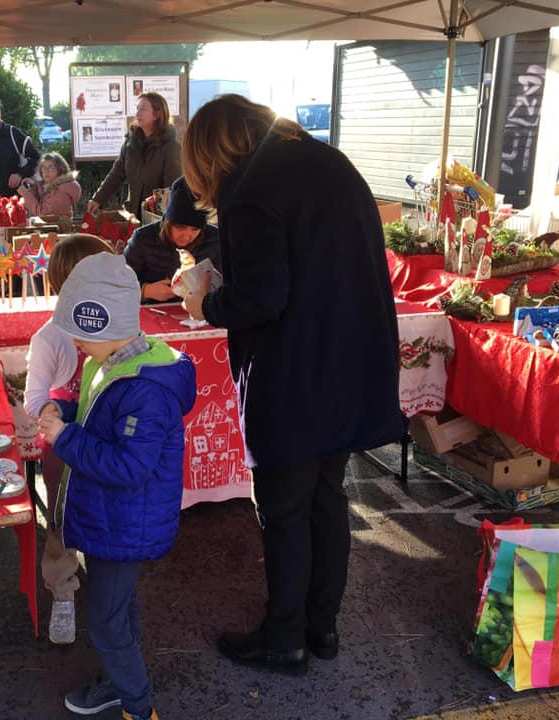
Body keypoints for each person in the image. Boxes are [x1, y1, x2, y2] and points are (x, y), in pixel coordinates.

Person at [181, 95, 401, 676]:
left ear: (211, 150)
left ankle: (284, 636)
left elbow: (262, 297)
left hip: (296, 374)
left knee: (284, 508)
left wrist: (206, 302)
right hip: (352, 362)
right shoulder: (330, 162)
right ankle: (321, 625)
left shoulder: (252, 186)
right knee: (327, 497)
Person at [37, 252, 196, 720]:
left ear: (103, 327)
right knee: (118, 608)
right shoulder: (115, 362)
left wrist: (64, 438)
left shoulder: (144, 389)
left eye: (80, 335)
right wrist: (65, 414)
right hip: (114, 518)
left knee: (106, 619)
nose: (77, 345)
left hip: (125, 523)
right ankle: (119, 679)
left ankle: (137, 704)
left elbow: (129, 467)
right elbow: (96, 416)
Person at [23, 233, 112, 645]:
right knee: (60, 518)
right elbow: (34, 398)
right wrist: (50, 413)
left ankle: (107, 578)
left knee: (104, 510)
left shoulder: (117, 326)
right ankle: (62, 587)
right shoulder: (49, 336)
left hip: (106, 439)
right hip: (64, 442)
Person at [125, 176, 220, 303]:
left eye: (195, 230)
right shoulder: (143, 239)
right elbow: (117, 285)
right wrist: (145, 290)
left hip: (201, 314)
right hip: (152, 310)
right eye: (180, 227)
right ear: (168, 223)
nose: (187, 236)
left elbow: (229, 286)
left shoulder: (214, 239)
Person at [87, 93, 181, 218]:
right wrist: (98, 199)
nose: (137, 114)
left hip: (157, 218)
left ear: (157, 114)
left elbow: (172, 188)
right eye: (137, 109)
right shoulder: (130, 143)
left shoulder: (171, 146)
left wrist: (164, 217)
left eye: (143, 109)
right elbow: (116, 174)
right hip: (133, 215)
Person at [16, 152, 82, 217]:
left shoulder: (63, 190)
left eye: (51, 168)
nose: (46, 171)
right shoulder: (49, 187)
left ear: (60, 169)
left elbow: (43, 214)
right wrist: (34, 187)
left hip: (59, 227)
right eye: (43, 168)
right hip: (51, 227)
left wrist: (25, 194)